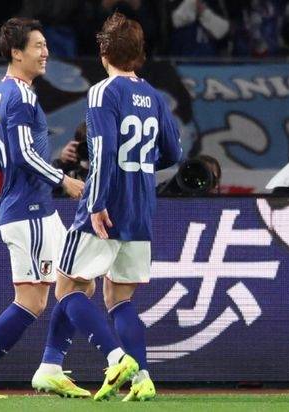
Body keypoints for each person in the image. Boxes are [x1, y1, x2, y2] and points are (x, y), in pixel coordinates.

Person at [46, 12, 183, 401]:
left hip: (106, 204)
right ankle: (142, 379)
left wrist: (97, 201)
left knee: (67, 288)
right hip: (141, 207)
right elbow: (173, 153)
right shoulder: (154, 96)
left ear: (104, 51)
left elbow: (103, 151)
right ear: (139, 54)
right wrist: (140, 167)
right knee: (118, 298)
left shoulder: (103, 92)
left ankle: (117, 357)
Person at [0, 17, 86, 399]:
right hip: (29, 212)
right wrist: (62, 179)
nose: (46, 53)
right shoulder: (22, 95)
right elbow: (25, 153)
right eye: (38, 46)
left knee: (80, 277)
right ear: (16, 52)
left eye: (45, 45)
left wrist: (15, 165)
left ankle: (51, 367)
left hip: (35, 210)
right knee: (32, 300)